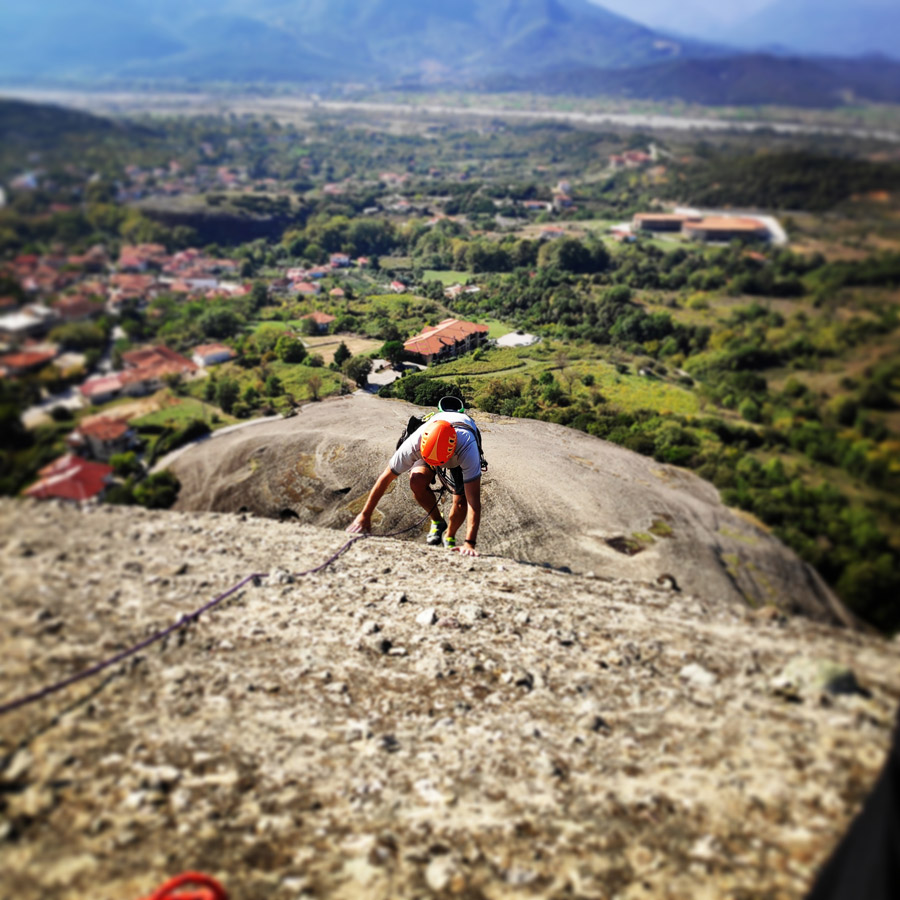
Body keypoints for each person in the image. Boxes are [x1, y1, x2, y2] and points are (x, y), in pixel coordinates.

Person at [346, 403, 483, 557]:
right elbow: (385, 478)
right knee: (416, 481)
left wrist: (469, 543)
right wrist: (364, 515)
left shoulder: (468, 449)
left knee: (461, 501)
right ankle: (438, 521)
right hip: (433, 448)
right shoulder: (414, 443)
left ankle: (449, 535)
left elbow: (473, 501)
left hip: (457, 453)